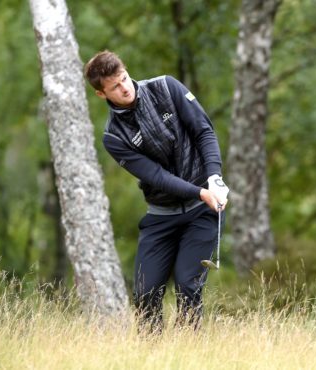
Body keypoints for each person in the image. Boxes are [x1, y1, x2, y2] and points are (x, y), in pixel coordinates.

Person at [83, 50, 229, 332]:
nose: (125, 87)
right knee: (144, 293)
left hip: (202, 212)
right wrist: (200, 192)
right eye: (115, 86)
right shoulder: (114, 136)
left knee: (188, 285)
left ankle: (188, 356)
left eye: (124, 78)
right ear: (102, 94)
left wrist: (214, 178)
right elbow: (156, 176)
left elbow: (204, 131)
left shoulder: (166, 87)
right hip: (162, 216)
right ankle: (152, 358)